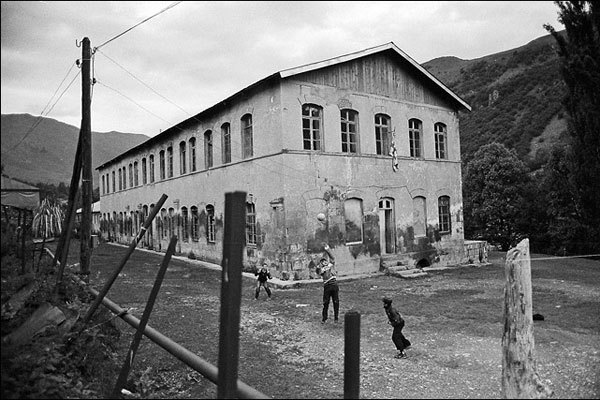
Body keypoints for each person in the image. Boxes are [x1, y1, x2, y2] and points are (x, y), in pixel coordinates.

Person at [317, 243, 339, 323]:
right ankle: (324, 318)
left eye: (325, 261)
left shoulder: (331, 265)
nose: (324, 262)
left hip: (334, 285)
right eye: (322, 262)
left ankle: (336, 318)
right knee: (326, 303)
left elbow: (332, 258)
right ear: (321, 264)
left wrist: (327, 249)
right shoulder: (321, 269)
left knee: (336, 302)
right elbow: (318, 271)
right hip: (327, 287)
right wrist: (320, 267)